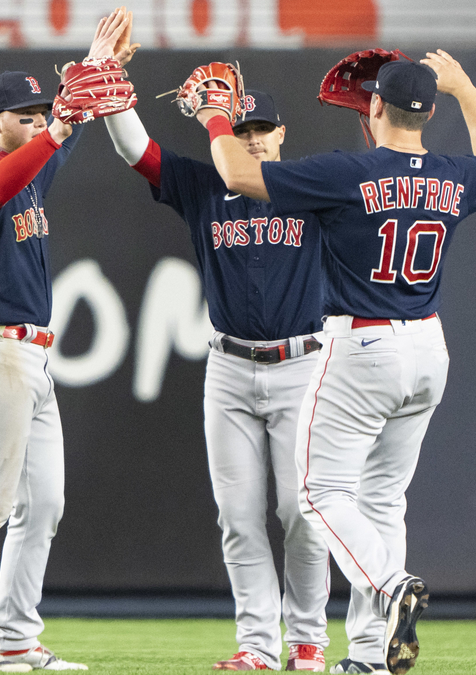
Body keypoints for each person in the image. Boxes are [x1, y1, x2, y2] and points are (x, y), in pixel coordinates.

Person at [194, 50, 476, 674]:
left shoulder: (347, 173)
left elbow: (237, 175)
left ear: (372, 108)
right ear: (424, 113)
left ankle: (393, 586)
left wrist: (214, 117)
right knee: (383, 500)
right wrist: (466, 89)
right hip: (428, 346)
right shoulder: (452, 175)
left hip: (363, 346)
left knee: (317, 494)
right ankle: (367, 656)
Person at [102, 84, 332, 671]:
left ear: (282, 133)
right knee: (237, 515)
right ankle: (257, 643)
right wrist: (113, 92)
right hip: (229, 368)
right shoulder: (205, 185)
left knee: (302, 512)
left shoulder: (310, 188)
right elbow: (139, 152)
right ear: (227, 131)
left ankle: (307, 639)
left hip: (302, 363)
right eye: (242, 128)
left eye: (261, 129)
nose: (252, 138)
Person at [0, 8, 134, 672]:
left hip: (32, 358)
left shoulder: (32, 169)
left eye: (37, 113)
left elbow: (69, 124)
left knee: (42, 501)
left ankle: (17, 638)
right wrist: (50, 131)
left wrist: (96, 63)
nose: (35, 120)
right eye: (23, 115)